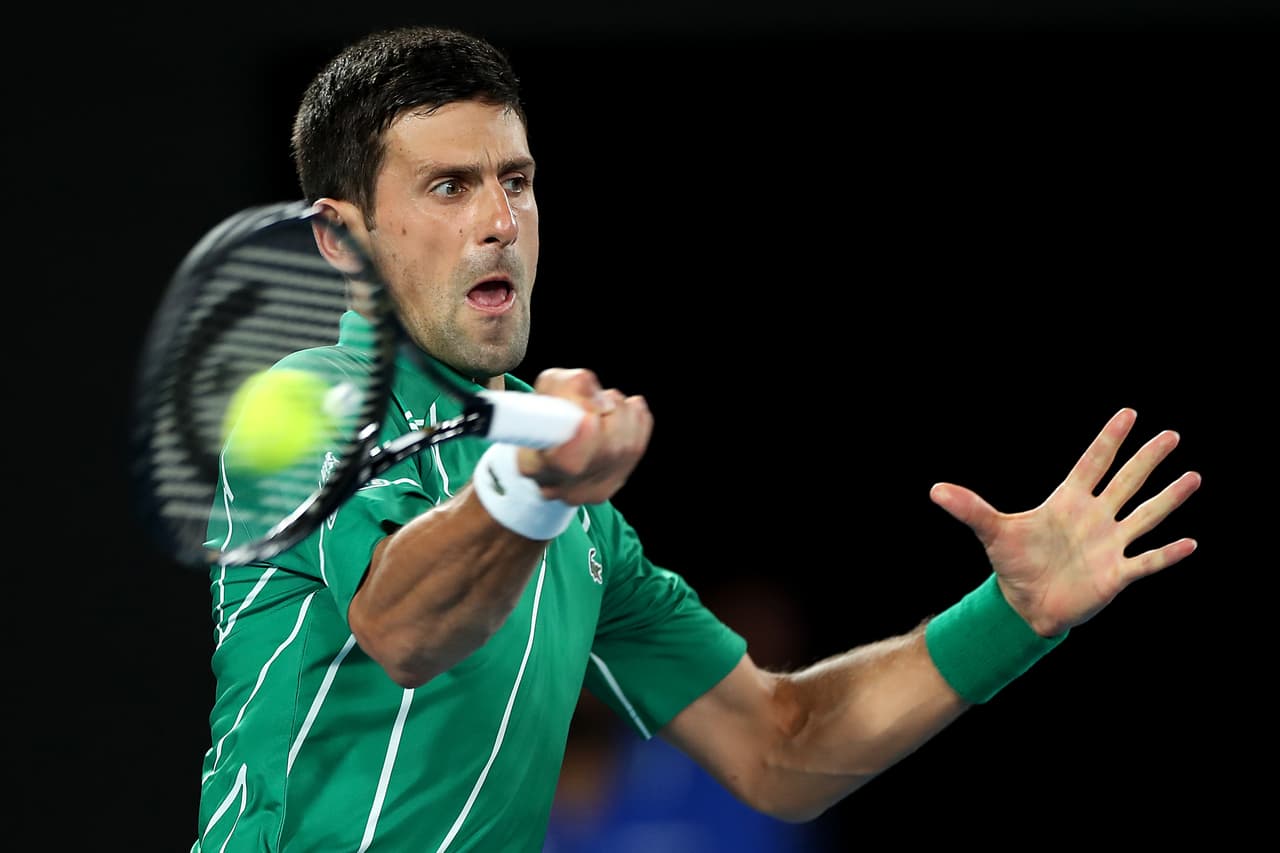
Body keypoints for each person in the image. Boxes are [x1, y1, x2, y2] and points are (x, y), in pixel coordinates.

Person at [191, 25, 1202, 852]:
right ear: (340, 236)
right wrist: (532, 494)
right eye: (449, 187)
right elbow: (403, 630)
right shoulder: (304, 408)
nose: (500, 220)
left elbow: (777, 746)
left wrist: (1009, 617)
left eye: (518, 180)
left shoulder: (579, 524)